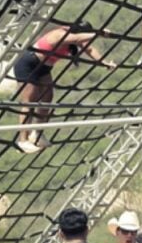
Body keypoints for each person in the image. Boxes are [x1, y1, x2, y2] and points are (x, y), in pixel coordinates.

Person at [10, 22, 116, 153]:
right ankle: (22, 140)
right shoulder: (59, 34)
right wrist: (98, 33)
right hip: (28, 63)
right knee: (30, 101)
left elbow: (89, 49)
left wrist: (103, 62)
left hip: (44, 67)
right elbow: (77, 39)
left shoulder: (75, 39)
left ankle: (36, 133)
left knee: (47, 98)